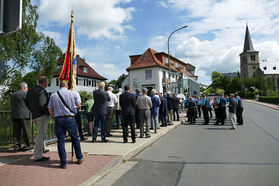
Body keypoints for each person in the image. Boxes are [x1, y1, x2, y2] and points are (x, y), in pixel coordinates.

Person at [48, 81, 84, 169]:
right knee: (75, 138)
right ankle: (79, 158)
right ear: (67, 86)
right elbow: (79, 105)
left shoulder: (53, 95)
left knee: (60, 141)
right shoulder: (74, 93)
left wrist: (54, 118)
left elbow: (49, 108)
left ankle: (63, 162)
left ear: (59, 86)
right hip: (70, 118)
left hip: (58, 119)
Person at [26, 76, 49, 162]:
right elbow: (42, 105)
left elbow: (27, 103)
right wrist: (48, 112)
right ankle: (38, 155)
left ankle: (42, 149)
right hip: (42, 115)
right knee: (41, 135)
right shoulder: (42, 91)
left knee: (40, 133)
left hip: (34, 115)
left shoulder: (31, 90)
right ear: (45, 83)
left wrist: (32, 111)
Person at [10, 82, 32, 151]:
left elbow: (11, 104)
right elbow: (30, 104)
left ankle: (16, 146)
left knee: (16, 132)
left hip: (15, 114)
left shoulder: (13, 95)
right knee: (26, 131)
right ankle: (26, 146)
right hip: (24, 115)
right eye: (27, 88)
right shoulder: (26, 94)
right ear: (25, 88)